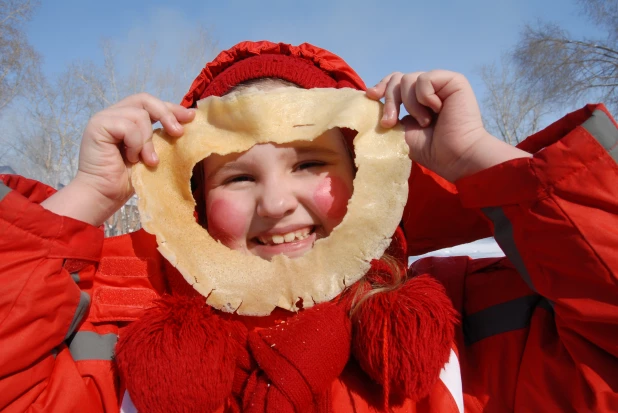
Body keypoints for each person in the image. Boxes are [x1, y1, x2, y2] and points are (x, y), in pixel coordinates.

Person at [0, 40, 616, 413]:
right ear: (194, 204)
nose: (277, 203)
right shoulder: (117, 342)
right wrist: (87, 196)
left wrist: (474, 158)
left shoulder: (462, 320)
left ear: (365, 179)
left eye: (312, 163)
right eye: (238, 177)